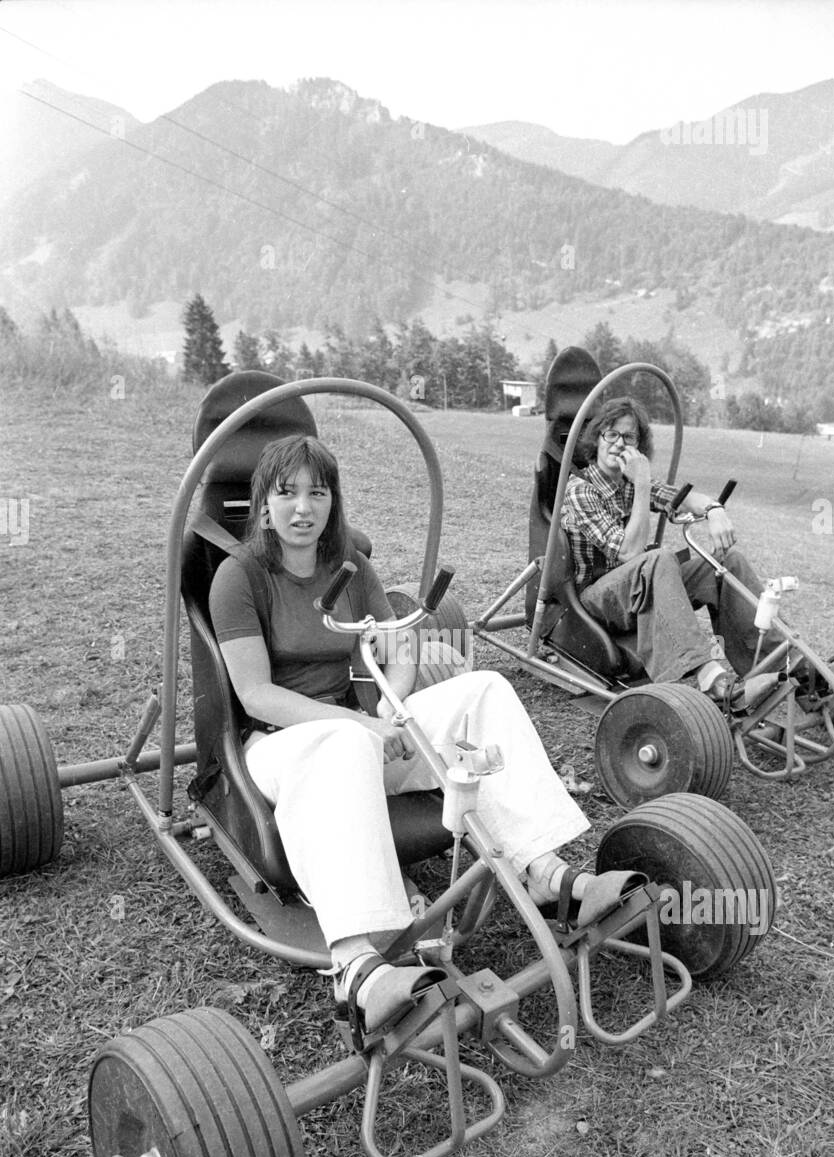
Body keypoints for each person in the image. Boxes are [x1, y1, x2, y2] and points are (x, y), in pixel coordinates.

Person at [209, 433, 634, 1040]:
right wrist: (363, 725)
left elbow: (399, 643)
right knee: (349, 744)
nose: (303, 508)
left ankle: (548, 876)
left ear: (333, 500)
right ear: (264, 502)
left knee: (482, 688)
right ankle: (357, 968)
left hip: (364, 729)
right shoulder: (239, 575)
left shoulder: (350, 567)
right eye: (287, 493)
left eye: (317, 492)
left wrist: (390, 702)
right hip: (279, 746)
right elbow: (255, 694)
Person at [560, 395, 781, 705]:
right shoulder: (581, 489)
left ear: (639, 444)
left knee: (726, 562)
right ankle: (710, 678)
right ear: (596, 439)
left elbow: (683, 498)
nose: (618, 443)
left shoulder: (629, 483)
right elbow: (630, 552)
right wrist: (643, 485)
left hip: (638, 586)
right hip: (595, 600)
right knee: (657, 558)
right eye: (611, 434)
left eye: (628, 437)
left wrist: (715, 509)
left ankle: (781, 664)